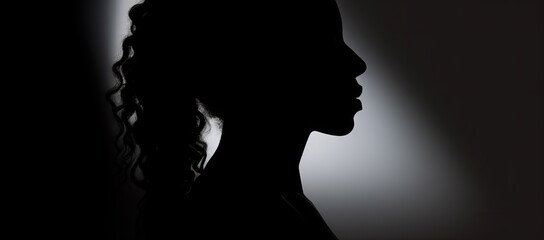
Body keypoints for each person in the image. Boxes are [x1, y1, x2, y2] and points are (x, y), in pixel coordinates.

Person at [109, 0, 366, 239]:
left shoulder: (269, 202)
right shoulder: (255, 217)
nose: (358, 63)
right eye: (325, 42)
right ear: (256, 62)